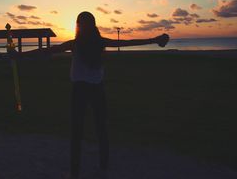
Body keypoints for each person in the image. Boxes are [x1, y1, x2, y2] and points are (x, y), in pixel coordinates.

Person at [21, 11, 169, 179]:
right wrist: (154, 40)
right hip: (97, 89)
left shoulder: (75, 44)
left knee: (78, 132)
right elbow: (128, 42)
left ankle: (76, 172)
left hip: (80, 90)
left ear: (78, 25)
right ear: (94, 25)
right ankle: (101, 167)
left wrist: (18, 55)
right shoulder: (97, 43)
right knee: (101, 129)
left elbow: (47, 51)